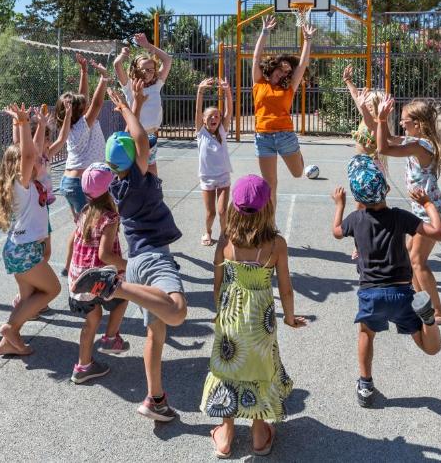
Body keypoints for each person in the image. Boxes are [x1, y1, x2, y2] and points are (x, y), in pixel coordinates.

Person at [70, 81, 189, 422]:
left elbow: (131, 142)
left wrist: (132, 104)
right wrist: (124, 107)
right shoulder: (135, 180)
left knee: (157, 329)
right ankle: (114, 287)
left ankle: (156, 399)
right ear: (135, 159)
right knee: (177, 312)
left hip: (136, 262)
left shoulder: (118, 183)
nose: (148, 152)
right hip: (152, 259)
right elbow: (137, 139)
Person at [201, 175, 304, 458]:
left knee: (228, 367)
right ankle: (259, 434)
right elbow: (286, 288)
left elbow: (218, 282)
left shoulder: (226, 241)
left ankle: (226, 433)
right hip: (261, 319)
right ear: (267, 208)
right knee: (260, 367)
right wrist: (290, 318)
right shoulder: (276, 245)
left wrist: (219, 311)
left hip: (231, 316)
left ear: (234, 207)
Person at [330, 154, 441, 407]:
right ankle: (428, 319)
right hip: (402, 294)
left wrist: (339, 205)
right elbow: (439, 232)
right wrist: (427, 204)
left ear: (358, 199)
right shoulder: (400, 217)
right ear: (387, 189)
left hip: (371, 294)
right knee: (431, 348)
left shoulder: (356, 219)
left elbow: (337, 232)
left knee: (366, 334)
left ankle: (365, 384)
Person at [374, 95, 441, 324]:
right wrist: (380, 117)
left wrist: (380, 120)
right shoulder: (415, 141)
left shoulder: (420, 145)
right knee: (411, 259)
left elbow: (383, 147)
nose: (401, 123)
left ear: (418, 124)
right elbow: (387, 138)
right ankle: (422, 304)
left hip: (430, 211)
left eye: (405, 120)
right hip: (422, 210)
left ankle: (438, 312)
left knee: (418, 260)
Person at [0, 104, 62, 355]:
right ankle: (10, 329)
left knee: (27, 298)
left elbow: (28, 153)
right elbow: (27, 155)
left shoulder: (27, 183)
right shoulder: (22, 186)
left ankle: (7, 343)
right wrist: (23, 124)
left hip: (22, 248)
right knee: (52, 289)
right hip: (23, 250)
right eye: (31, 159)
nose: (36, 159)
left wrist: (40, 124)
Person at [66, 163, 131, 384]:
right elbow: (104, 255)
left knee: (92, 319)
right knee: (124, 298)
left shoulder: (85, 211)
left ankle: (82, 367)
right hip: (95, 278)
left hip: (79, 280)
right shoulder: (109, 218)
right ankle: (111, 338)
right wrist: (127, 264)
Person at [251, 14, 316, 201]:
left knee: (297, 173)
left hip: (285, 135)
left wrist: (308, 40)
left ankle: (298, 153)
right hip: (263, 137)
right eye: (283, 68)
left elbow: (303, 64)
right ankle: (270, 224)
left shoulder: (288, 88)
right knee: (270, 184)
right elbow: (256, 58)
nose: (285, 72)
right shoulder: (259, 82)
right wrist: (264, 32)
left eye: (288, 71)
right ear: (274, 65)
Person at [55, 54, 110, 275]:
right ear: (80, 111)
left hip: (70, 182)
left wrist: (84, 73)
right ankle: (82, 268)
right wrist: (103, 79)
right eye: (82, 105)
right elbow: (95, 102)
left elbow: (84, 99)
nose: (86, 103)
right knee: (90, 228)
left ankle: (69, 266)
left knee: (81, 225)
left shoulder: (74, 124)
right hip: (80, 184)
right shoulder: (82, 125)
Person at [114, 32, 173, 176]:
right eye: (144, 69)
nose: (148, 73)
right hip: (135, 137)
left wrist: (147, 46)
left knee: (152, 173)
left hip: (151, 136)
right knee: (134, 174)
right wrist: (122, 54)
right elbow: (117, 64)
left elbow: (167, 60)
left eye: (151, 70)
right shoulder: (129, 86)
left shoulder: (156, 85)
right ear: (135, 69)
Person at [195, 76, 234, 246]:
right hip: (207, 178)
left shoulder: (223, 132)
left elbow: (229, 111)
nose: (214, 118)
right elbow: (197, 110)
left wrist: (227, 91)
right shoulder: (201, 133)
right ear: (204, 120)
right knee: (211, 213)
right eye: (210, 116)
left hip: (223, 176)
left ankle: (224, 234)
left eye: (217, 116)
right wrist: (200, 91)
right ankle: (208, 232)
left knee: (222, 211)